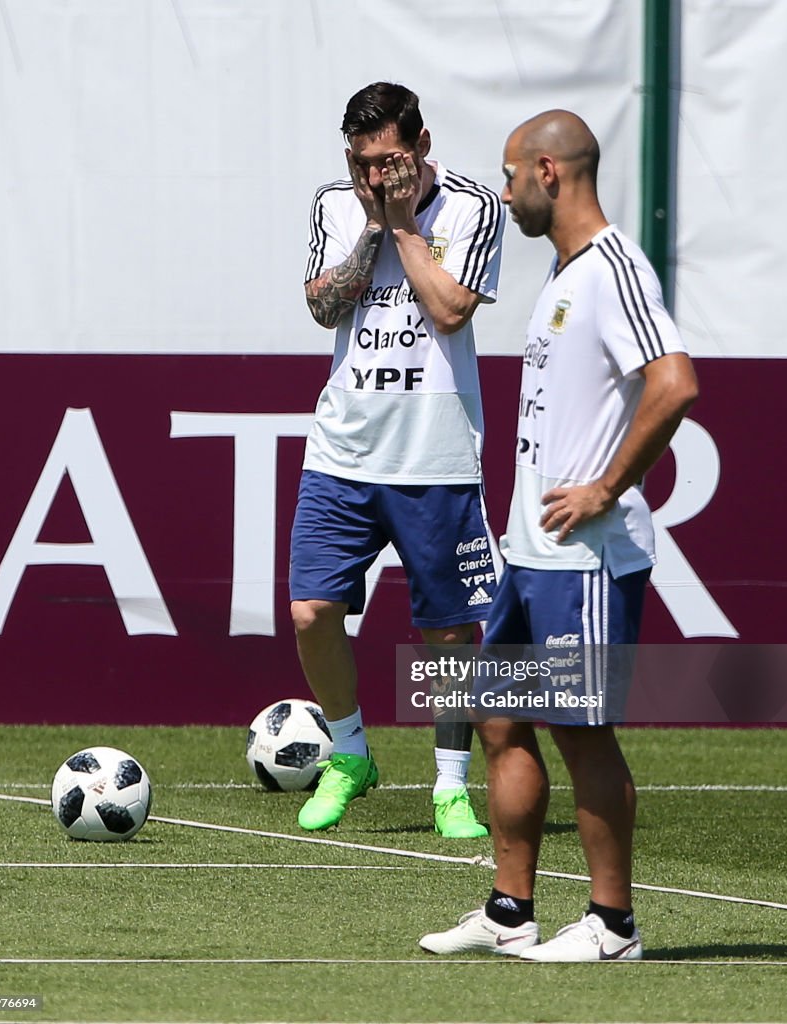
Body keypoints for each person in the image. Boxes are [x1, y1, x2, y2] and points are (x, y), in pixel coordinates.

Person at [419, 110, 698, 958]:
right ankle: (510, 913)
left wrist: (608, 487)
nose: (502, 194)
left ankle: (614, 925)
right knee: (500, 720)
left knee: (580, 730)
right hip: (531, 556)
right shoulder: (565, 272)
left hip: (585, 559)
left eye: (508, 176)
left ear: (548, 170)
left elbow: (675, 384)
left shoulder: (615, 269)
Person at [290, 82, 504, 837]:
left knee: (447, 632)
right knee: (312, 611)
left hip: (436, 456)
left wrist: (406, 223)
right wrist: (374, 230)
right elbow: (322, 304)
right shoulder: (334, 203)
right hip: (343, 449)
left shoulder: (474, 206)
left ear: (419, 145)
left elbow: (449, 310)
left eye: (389, 160)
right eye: (362, 162)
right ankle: (350, 755)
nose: (376, 177)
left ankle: (450, 787)